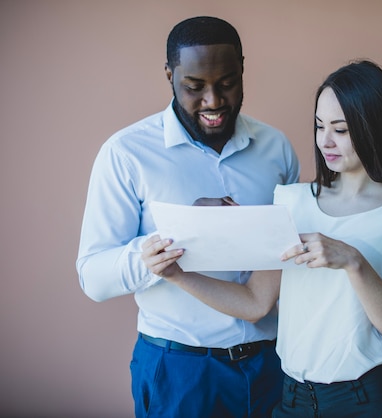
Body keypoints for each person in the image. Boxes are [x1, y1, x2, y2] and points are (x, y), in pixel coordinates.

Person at [143, 60, 382, 417]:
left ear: (375, 129)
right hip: (293, 400)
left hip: (370, 399)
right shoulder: (292, 201)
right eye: (320, 126)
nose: (325, 141)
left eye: (341, 129)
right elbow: (256, 302)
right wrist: (176, 275)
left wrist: (353, 261)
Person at [76, 16, 300, 418]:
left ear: (243, 69)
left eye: (227, 83)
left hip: (272, 365)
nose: (213, 101)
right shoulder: (126, 154)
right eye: (194, 87)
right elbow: (92, 276)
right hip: (179, 372)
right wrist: (173, 237)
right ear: (170, 75)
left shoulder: (276, 149)